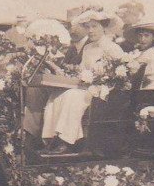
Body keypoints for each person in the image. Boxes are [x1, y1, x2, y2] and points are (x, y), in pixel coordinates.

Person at [41, 9, 124, 152]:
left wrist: (102, 79)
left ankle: (65, 141)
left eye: (94, 26)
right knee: (55, 96)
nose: (90, 31)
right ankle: (52, 138)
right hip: (85, 86)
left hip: (102, 90)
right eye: (88, 27)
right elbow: (81, 70)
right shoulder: (88, 48)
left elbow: (120, 73)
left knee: (71, 96)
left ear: (103, 27)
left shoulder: (113, 48)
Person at [124, 21, 154, 89]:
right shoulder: (139, 53)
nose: (142, 39)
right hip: (138, 90)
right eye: (140, 35)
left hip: (150, 91)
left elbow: (148, 78)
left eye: (146, 35)